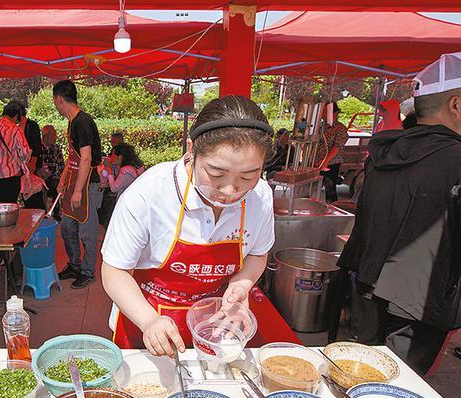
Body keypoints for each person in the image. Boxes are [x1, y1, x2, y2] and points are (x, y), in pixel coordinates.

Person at [339, 51, 461, 375]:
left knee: (359, 372)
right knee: (397, 385)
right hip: (421, 300)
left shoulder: (383, 152)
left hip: (366, 284)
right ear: (456, 105)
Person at [101, 95, 275, 355]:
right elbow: (114, 270)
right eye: (216, 174)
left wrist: (240, 285)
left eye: (248, 176)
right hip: (146, 316)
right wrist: (148, 320)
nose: (230, 190)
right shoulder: (149, 193)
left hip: (213, 323)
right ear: (192, 150)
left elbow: (258, 254)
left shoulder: (260, 196)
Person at [53, 80, 104, 290]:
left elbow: (85, 159)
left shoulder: (83, 122)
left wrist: (77, 192)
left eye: (54, 100)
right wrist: (64, 178)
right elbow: (72, 157)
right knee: (67, 227)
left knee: (88, 232)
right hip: (74, 182)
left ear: (58, 99)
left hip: (87, 185)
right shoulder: (72, 121)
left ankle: (87, 271)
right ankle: (74, 265)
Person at [0, 100, 44, 208]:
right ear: (15, 116)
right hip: (10, 176)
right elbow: (24, 154)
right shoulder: (15, 129)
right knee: (10, 208)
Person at [316, 102, 349, 202]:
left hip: (331, 163)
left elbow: (337, 147)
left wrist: (325, 162)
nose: (322, 114)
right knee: (312, 186)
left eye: (325, 112)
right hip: (317, 162)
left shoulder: (340, 128)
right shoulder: (321, 127)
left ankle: (332, 209)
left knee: (330, 188)